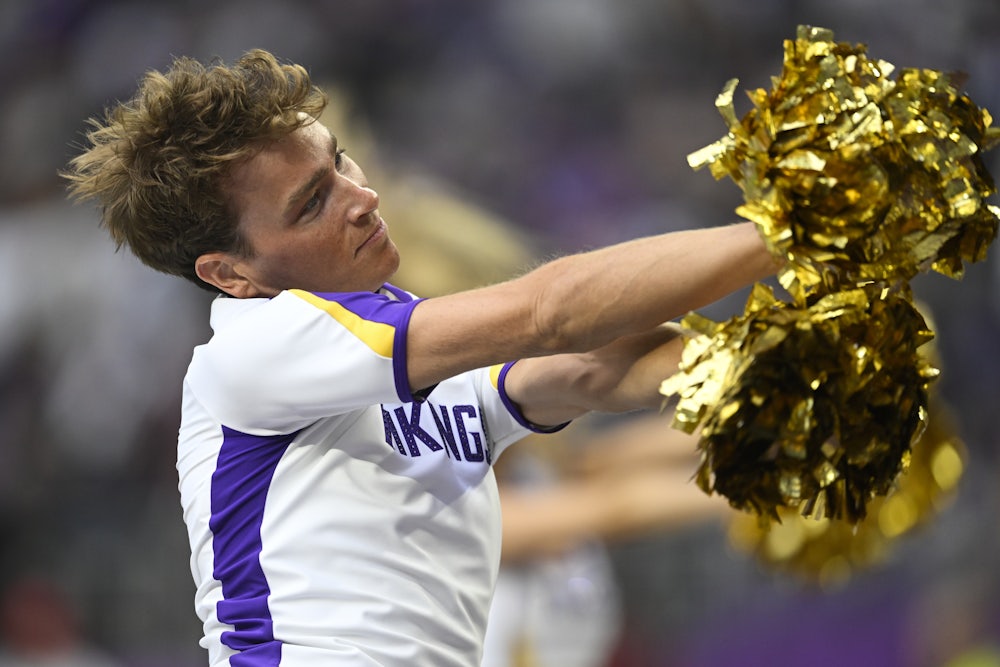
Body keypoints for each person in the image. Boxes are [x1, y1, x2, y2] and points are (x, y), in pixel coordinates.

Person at [63, 49, 775, 667]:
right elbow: (548, 314)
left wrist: (798, 352)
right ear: (231, 273)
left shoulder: (392, 341)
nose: (363, 197)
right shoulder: (254, 349)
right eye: (312, 203)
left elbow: (594, 368)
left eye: (339, 160)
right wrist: (787, 227)